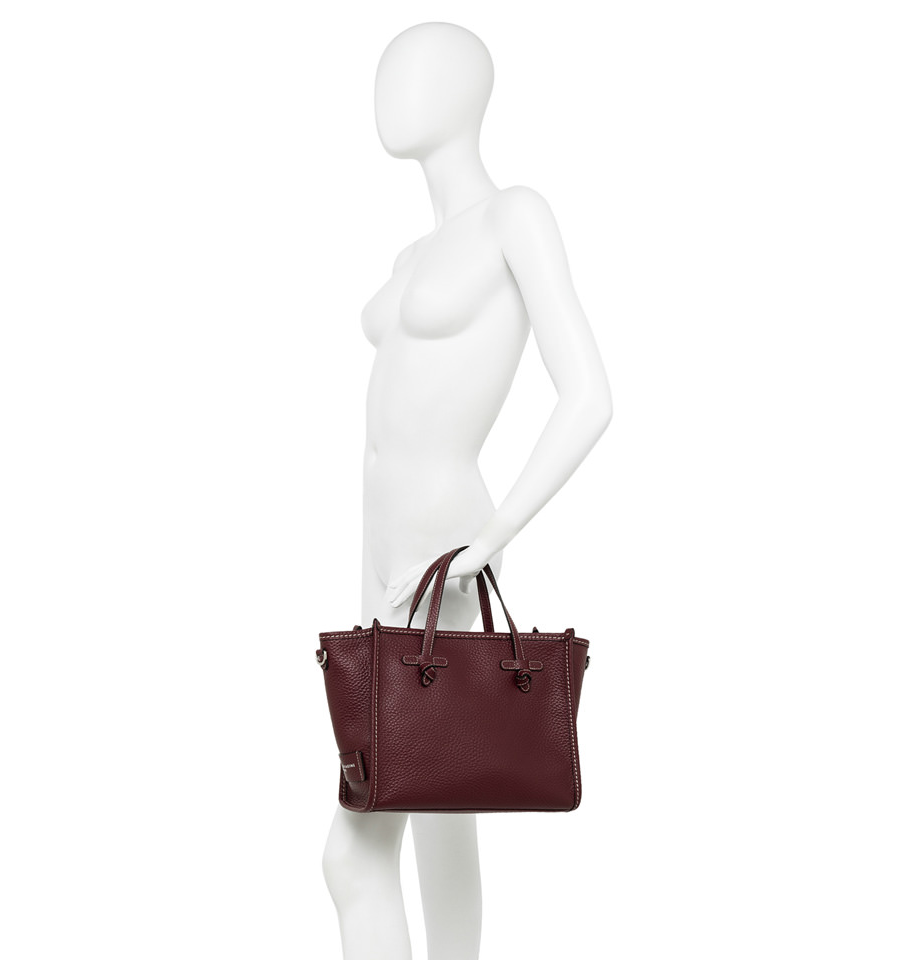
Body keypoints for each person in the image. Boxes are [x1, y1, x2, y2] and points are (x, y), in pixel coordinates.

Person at [321, 21, 613, 960]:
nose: (390, 87)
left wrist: (490, 540)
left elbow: (589, 396)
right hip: (379, 545)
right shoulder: (413, 255)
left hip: (441, 545)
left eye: (415, 69)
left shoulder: (514, 216)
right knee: (439, 801)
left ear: (467, 91)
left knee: (356, 851)